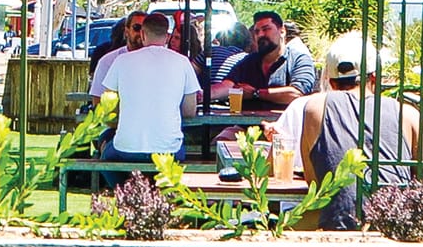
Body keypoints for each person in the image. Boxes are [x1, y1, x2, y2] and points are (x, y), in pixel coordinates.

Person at [300, 32, 423, 230]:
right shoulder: (407, 114)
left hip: (340, 229)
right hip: (396, 229)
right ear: (375, 77)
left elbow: (313, 182)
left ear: (331, 82)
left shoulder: (315, 108)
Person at [98, 12, 201, 171]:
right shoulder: (183, 62)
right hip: (169, 151)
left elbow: (107, 106)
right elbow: (189, 111)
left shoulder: (122, 61)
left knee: (105, 150)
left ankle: (122, 193)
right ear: (167, 36)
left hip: (125, 148)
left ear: (143, 34)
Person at [226, 10, 317, 109]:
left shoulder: (299, 59)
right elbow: (226, 85)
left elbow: (297, 94)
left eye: (266, 29)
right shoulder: (248, 61)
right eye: (256, 32)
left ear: (282, 31)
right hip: (245, 123)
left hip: (283, 123)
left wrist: (256, 93)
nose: (260, 35)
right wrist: (209, 94)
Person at [90, 11, 147, 89]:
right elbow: (97, 95)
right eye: (137, 28)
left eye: (145, 29)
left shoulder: (158, 60)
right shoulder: (108, 60)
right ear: (126, 31)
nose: (141, 33)